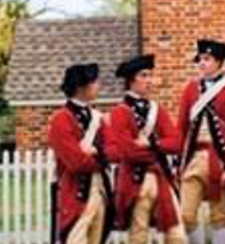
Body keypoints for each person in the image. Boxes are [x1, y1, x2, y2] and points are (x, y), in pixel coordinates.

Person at [110, 55, 187, 244]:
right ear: (131, 80)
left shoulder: (156, 110)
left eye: (150, 75)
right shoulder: (120, 112)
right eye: (144, 75)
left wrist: (152, 145)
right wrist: (160, 148)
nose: (149, 81)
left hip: (161, 179)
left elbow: (177, 143)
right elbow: (129, 152)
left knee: (176, 234)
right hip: (136, 180)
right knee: (139, 233)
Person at [177, 39, 225, 244]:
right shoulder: (190, 89)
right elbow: (181, 128)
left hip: (219, 160)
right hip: (194, 158)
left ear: (219, 62)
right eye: (199, 59)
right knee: (185, 215)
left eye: (206, 59)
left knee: (219, 217)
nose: (201, 63)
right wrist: (178, 160)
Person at [48, 63, 113, 244]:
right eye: (94, 82)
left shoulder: (97, 117)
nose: (98, 85)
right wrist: (102, 155)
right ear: (81, 87)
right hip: (75, 195)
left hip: (100, 193)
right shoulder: (61, 119)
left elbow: (115, 151)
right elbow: (76, 162)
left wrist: (95, 151)